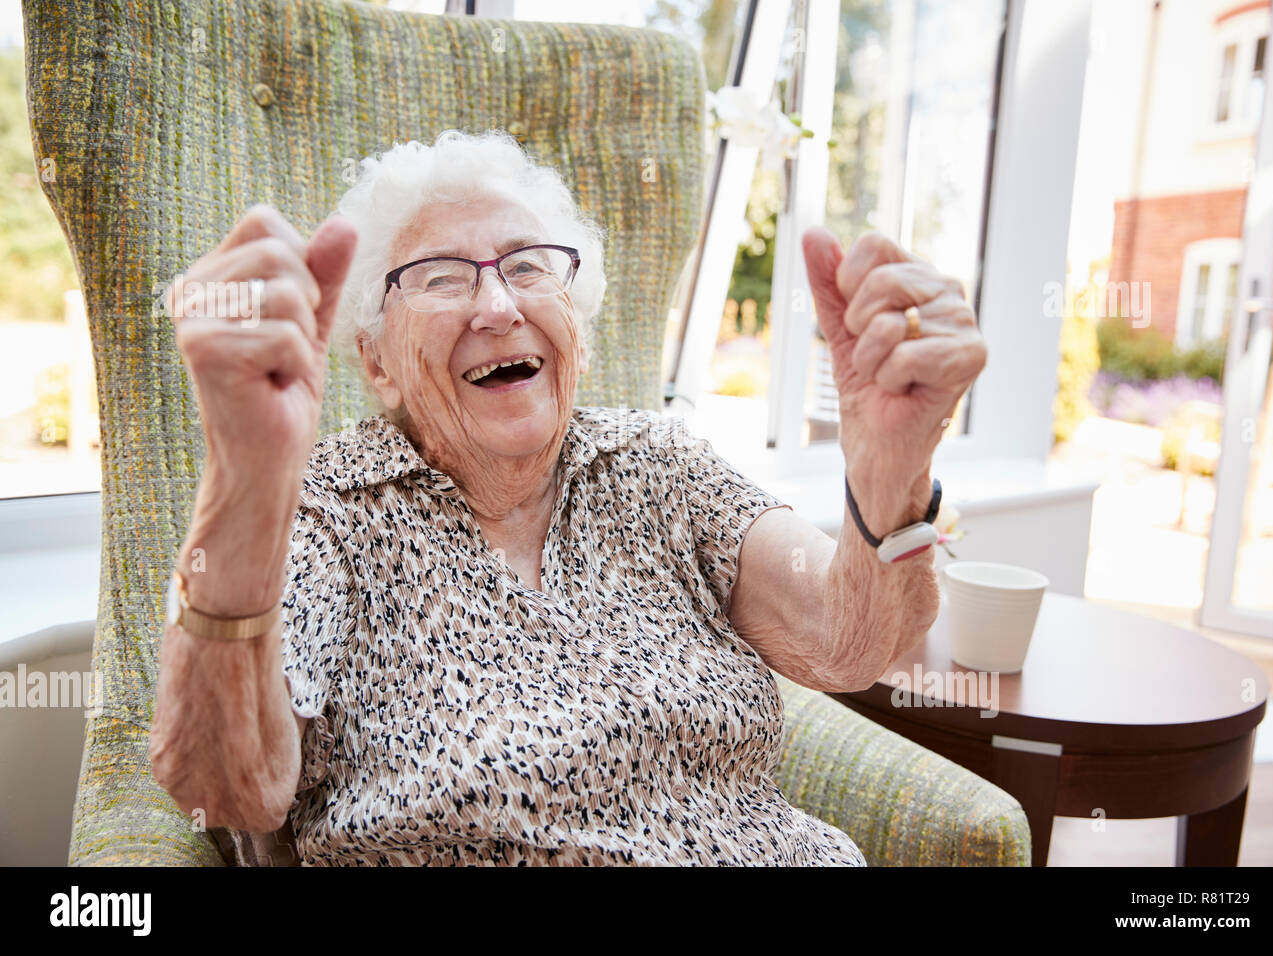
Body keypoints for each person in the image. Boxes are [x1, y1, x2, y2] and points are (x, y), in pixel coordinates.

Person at [149, 129, 987, 865]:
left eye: (526, 267)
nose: (498, 304)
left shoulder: (655, 462)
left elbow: (847, 643)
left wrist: (889, 470)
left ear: (575, 322)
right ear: (376, 360)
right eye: (442, 278)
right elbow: (227, 792)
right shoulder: (322, 508)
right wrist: (245, 478)